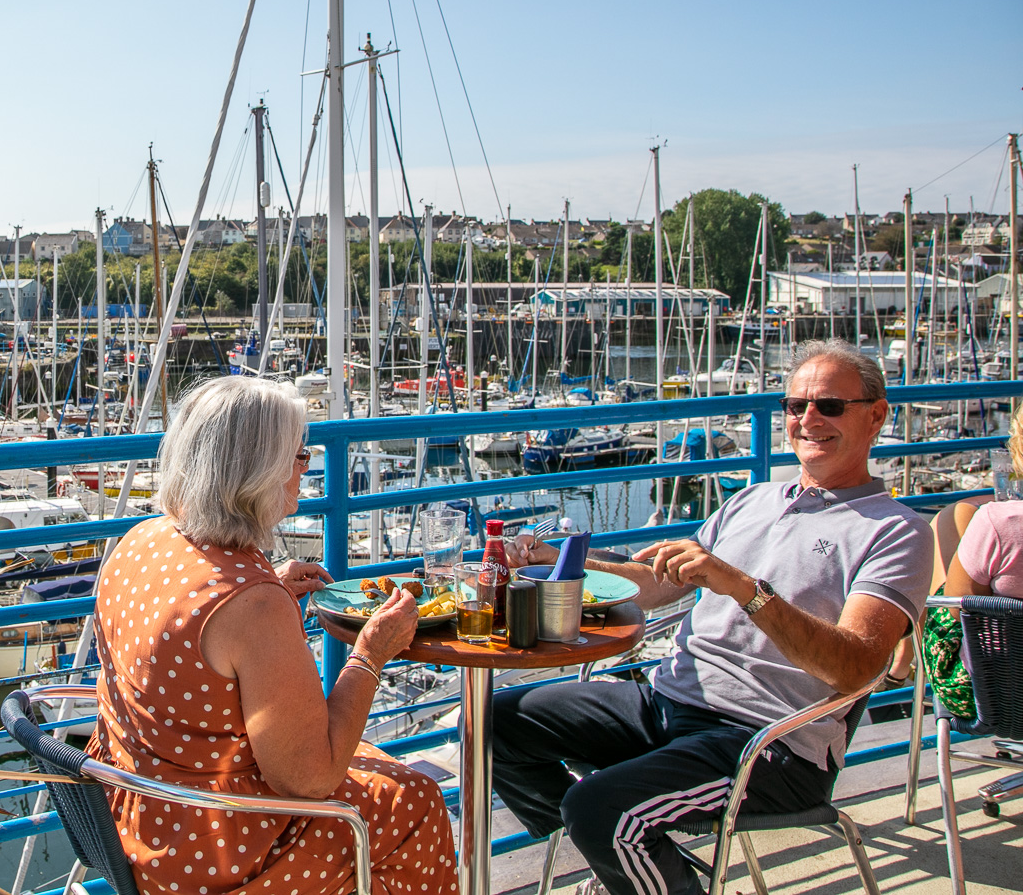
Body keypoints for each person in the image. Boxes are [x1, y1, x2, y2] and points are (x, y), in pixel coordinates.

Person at [493, 339, 934, 895]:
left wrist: (746, 589)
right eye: (795, 406)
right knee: (489, 726)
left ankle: (623, 845)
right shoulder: (751, 501)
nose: (808, 419)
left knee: (602, 808)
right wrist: (551, 559)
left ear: (875, 415)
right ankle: (627, 863)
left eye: (829, 405)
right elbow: (654, 583)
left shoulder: (896, 531)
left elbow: (853, 668)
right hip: (666, 701)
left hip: (768, 742)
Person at [89, 376, 459, 895]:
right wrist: (370, 654)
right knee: (415, 800)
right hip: (212, 846)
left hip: (128, 815)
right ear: (259, 472)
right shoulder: (251, 604)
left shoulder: (139, 541)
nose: (306, 469)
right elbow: (310, 777)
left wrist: (270, 589)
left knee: (379, 769)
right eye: (300, 456)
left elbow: (195, 637)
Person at [919, 413, 1023, 717]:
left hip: (998, 696)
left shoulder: (999, 521)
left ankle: (901, 662)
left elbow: (956, 609)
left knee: (955, 523)